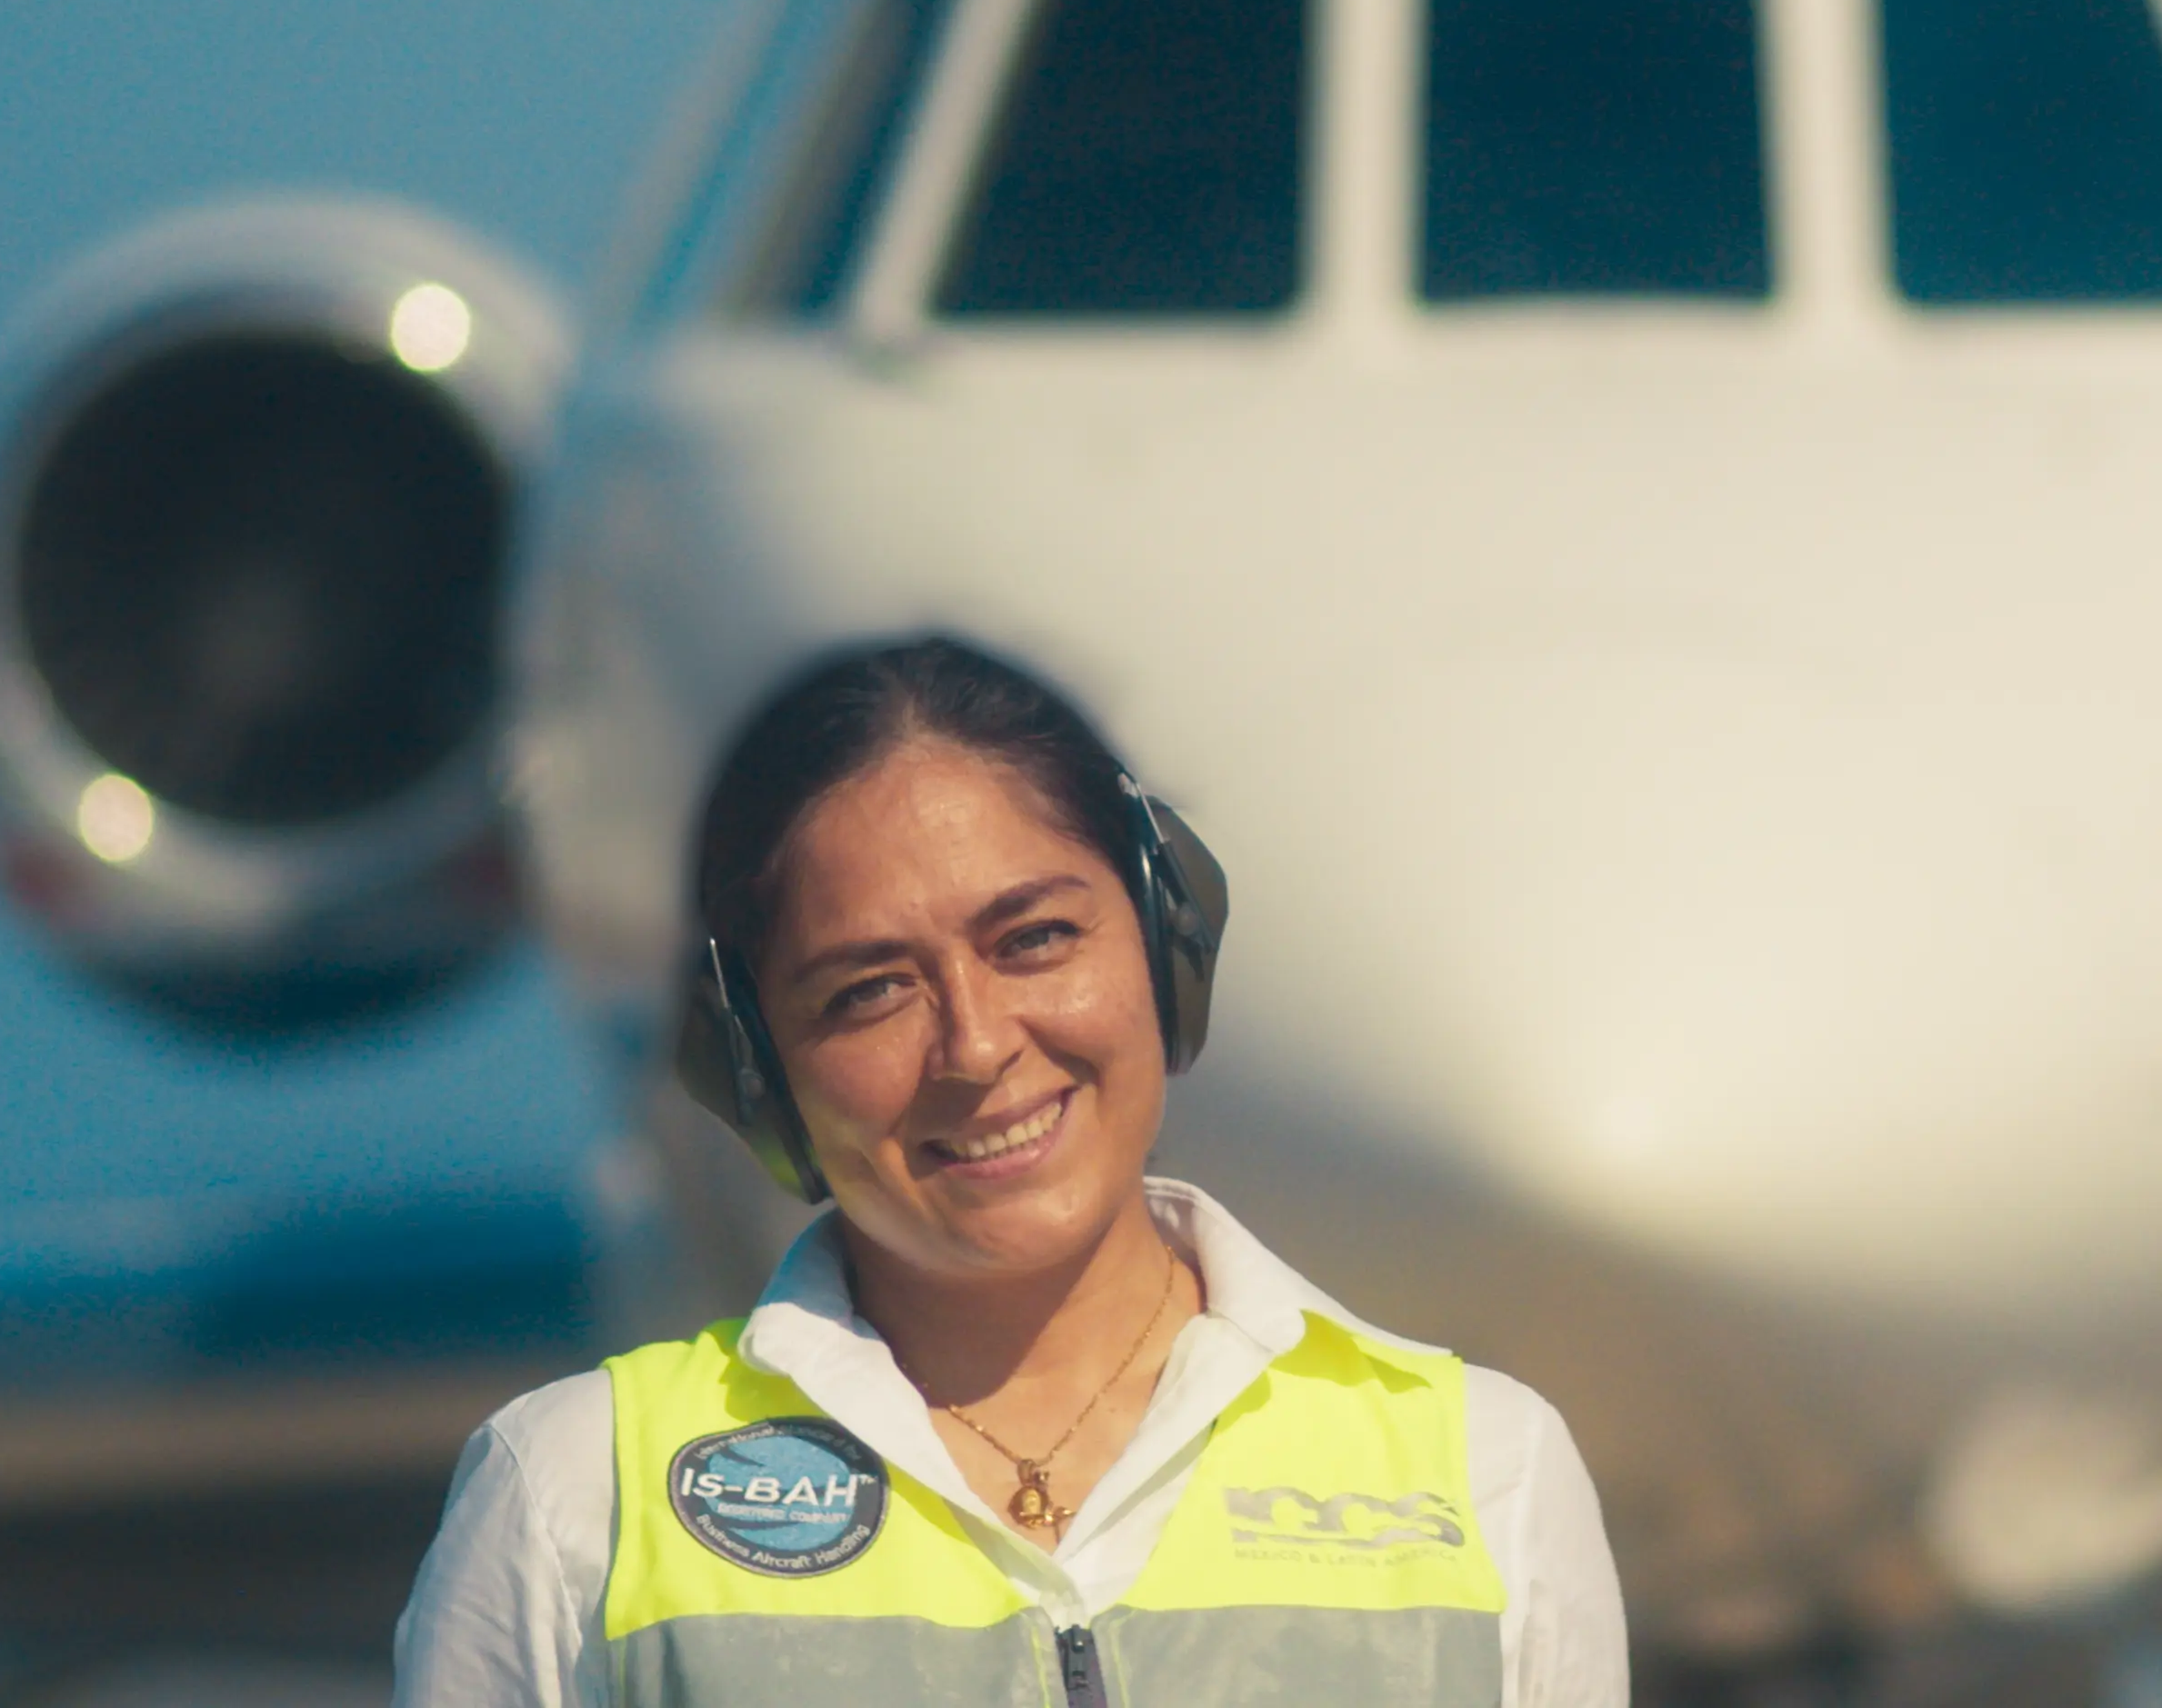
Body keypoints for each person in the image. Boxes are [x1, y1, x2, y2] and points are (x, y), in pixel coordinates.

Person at [394, 637, 1626, 1705]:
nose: (977, 1046)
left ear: (1164, 941)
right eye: (869, 990)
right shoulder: (574, 1503)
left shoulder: (1485, 1477)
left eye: (1035, 938)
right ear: (754, 1065)